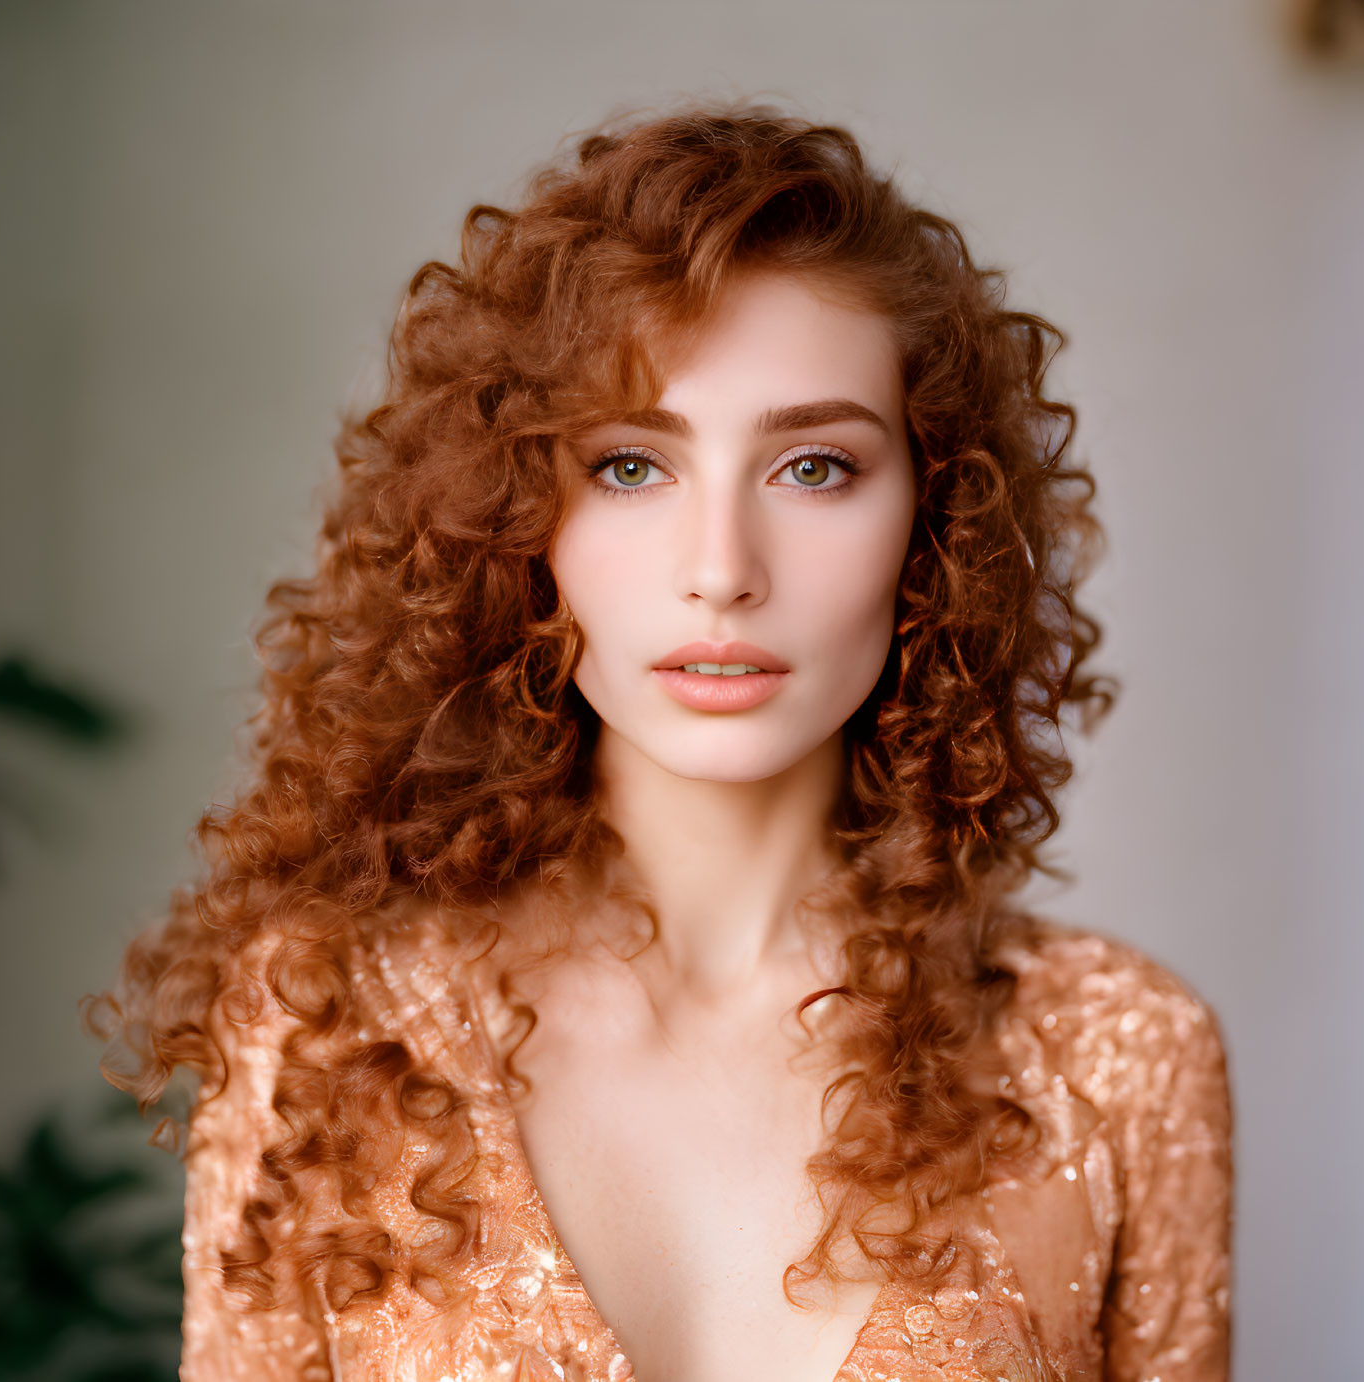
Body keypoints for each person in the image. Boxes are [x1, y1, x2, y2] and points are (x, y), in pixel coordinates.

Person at [85, 103, 1233, 1382]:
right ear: (521, 519)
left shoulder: (1115, 1054)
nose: (721, 572)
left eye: (812, 468)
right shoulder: (332, 1027)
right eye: (631, 465)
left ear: (935, 518)